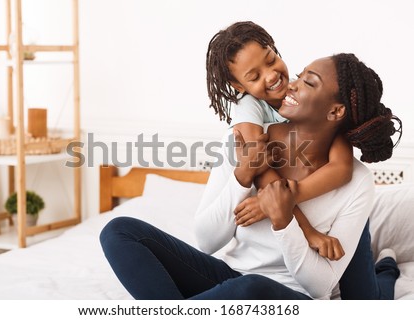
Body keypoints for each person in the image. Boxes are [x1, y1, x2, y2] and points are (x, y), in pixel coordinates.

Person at [99, 53, 401, 299]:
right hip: (227, 277)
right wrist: (241, 178)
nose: (292, 84)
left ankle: (385, 268)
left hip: (290, 295)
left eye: (309, 82)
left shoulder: (356, 180)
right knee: (119, 231)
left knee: (250, 288)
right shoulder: (244, 141)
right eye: (300, 74)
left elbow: (319, 286)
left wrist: (285, 222)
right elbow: (206, 242)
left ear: (335, 112)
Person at [200, 21, 401, 299]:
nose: (272, 77)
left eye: (271, 60)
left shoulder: (317, 106)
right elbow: (259, 166)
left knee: (366, 300)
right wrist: (304, 226)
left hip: (337, 209)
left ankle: (387, 268)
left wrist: (278, 199)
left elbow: (342, 169)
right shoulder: (249, 111)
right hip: (299, 227)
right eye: (254, 76)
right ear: (239, 86)